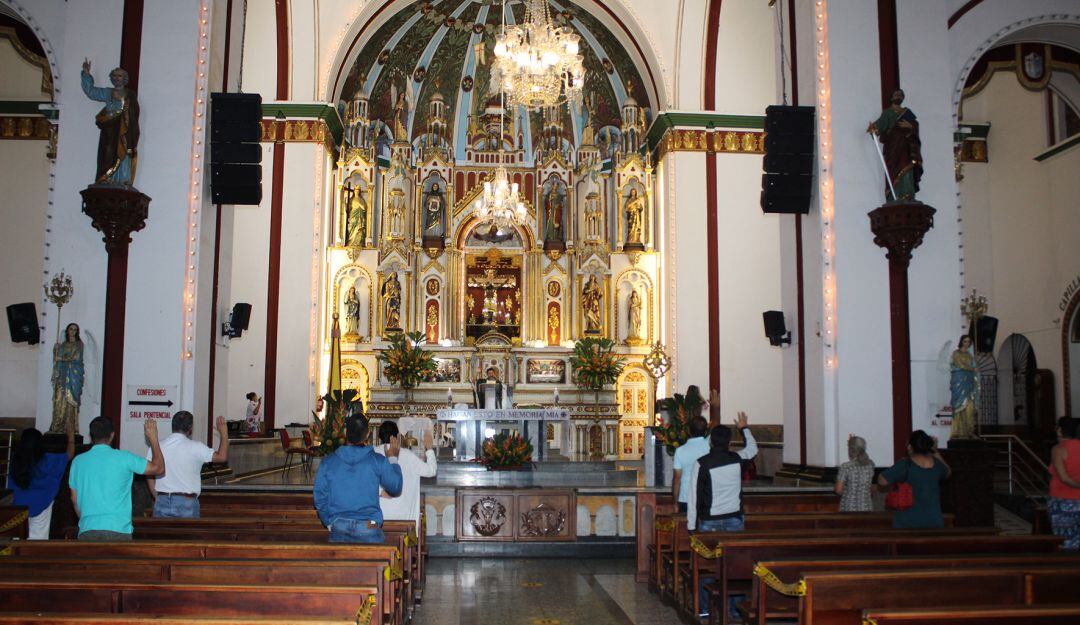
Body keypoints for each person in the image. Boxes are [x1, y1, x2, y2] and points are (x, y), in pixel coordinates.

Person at [687, 411, 757, 619]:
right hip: (735, 520)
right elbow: (753, 449)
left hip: (710, 522)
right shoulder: (737, 458)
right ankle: (735, 609)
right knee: (735, 566)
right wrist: (744, 428)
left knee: (708, 566)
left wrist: (691, 526)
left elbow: (694, 496)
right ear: (729, 442)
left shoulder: (702, 463)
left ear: (710, 442)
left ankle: (706, 608)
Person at [69, 416, 164, 540]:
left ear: (91, 436)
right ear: (112, 435)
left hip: (88, 528)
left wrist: (88, 522)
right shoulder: (124, 458)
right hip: (118, 529)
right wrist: (153, 439)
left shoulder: (78, 461)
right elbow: (158, 468)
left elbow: (74, 499)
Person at [314, 415, 403, 543]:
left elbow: (319, 496)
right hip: (370, 524)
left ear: (345, 432)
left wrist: (329, 521)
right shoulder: (377, 460)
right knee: (379, 547)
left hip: (339, 524)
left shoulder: (328, 462)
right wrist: (393, 458)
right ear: (367, 434)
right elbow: (396, 487)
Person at [146, 412, 229, 518]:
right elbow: (222, 457)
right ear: (190, 428)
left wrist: (156, 495)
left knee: (162, 530)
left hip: (162, 499)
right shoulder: (196, 447)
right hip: (186, 502)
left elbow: (149, 473)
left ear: (172, 426)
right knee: (188, 529)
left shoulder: (156, 447)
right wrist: (224, 433)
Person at [11, 422, 75, 539]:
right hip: (42, 505)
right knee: (38, 539)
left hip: (18, 509)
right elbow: (69, 454)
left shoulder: (14, 462)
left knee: (17, 539)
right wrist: (70, 436)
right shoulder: (48, 460)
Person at [81, 59, 139, 186]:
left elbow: (135, 112)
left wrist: (124, 102)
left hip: (124, 128)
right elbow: (91, 92)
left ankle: (123, 179)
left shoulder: (130, 94)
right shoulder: (108, 92)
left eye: (120, 76)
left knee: (123, 152)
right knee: (107, 152)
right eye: (115, 75)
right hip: (109, 128)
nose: (117, 78)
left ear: (124, 79)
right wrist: (86, 74)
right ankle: (105, 178)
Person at [877, 430, 951, 528]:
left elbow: (882, 481)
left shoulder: (905, 464)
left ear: (910, 447)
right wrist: (935, 451)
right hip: (933, 521)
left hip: (907, 522)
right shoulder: (937, 464)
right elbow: (948, 472)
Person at [376, 421, 437, 530]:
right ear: (398, 436)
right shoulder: (408, 455)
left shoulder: (371, 454)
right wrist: (429, 448)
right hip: (404, 519)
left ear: (379, 436)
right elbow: (431, 471)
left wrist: (380, 492)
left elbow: (360, 481)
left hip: (377, 519)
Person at [866, 88, 922, 202]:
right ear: (892, 97)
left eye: (901, 95)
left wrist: (910, 126)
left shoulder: (906, 112)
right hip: (893, 147)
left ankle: (908, 194)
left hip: (907, 147)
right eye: (896, 94)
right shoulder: (888, 113)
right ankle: (895, 195)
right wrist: (874, 128)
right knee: (894, 170)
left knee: (908, 167)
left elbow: (915, 126)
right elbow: (879, 126)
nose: (898, 97)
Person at [1049, 417, 1080, 550]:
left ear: (1060, 430)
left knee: (1065, 542)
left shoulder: (1059, 449)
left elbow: (1064, 478)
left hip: (1063, 500)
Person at [48, 322, 84, 434]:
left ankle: (68, 428)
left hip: (72, 377)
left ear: (77, 332)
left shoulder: (79, 344)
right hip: (62, 375)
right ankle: (57, 426)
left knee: (70, 402)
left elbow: (76, 358)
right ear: (67, 331)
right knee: (58, 399)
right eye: (71, 329)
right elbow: (56, 359)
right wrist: (55, 350)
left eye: (75, 329)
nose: (73, 331)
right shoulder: (63, 345)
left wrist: (61, 358)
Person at [672, 416, 710, 514]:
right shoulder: (710, 447)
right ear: (706, 431)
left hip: (685, 497)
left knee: (686, 523)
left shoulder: (680, 451)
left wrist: (675, 503)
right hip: (706, 496)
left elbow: (677, 479)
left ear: (688, 431)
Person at [949, 335, 979, 439]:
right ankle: (957, 432)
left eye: (968, 342)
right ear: (961, 342)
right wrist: (972, 369)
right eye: (965, 341)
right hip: (959, 382)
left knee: (969, 409)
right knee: (959, 407)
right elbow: (960, 365)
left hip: (969, 384)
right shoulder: (956, 353)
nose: (966, 343)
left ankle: (969, 432)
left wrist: (975, 371)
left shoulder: (970, 355)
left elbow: (975, 367)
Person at [835, 435, 875, 512]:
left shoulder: (846, 466)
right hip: (866, 507)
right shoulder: (871, 465)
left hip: (849, 507)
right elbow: (870, 487)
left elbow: (838, 490)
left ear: (850, 450)